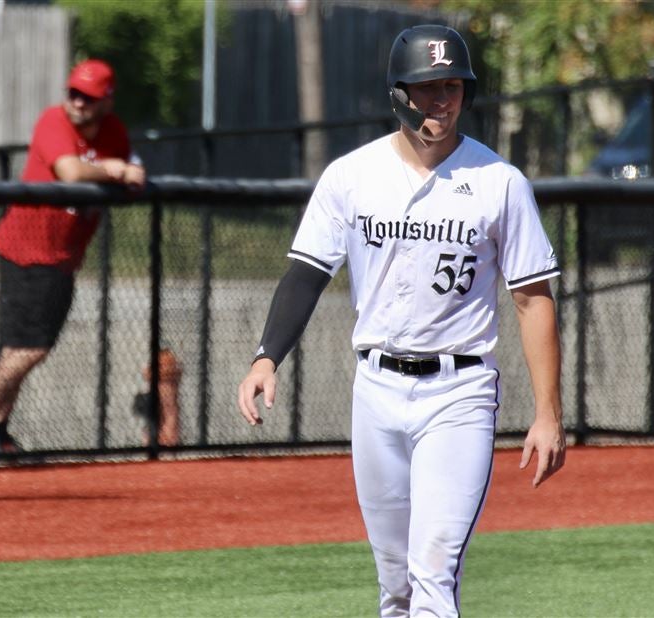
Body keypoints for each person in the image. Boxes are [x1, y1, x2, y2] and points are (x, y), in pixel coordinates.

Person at [236, 25, 566, 617]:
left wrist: (548, 413)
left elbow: (532, 298)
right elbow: (307, 272)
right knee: (396, 585)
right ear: (398, 94)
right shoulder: (351, 176)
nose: (441, 101)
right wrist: (267, 355)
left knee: (433, 573)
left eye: (452, 87)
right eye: (426, 88)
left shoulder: (500, 183)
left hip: (460, 391)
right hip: (378, 390)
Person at [0, 59, 146, 455]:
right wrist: (114, 170)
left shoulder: (113, 131)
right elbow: (70, 172)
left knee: (24, 347)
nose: (77, 102)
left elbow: (136, 172)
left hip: (62, 256)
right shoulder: (52, 121)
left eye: (89, 97)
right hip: (26, 249)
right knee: (29, 347)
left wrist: (126, 170)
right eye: (73, 93)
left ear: (107, 101)